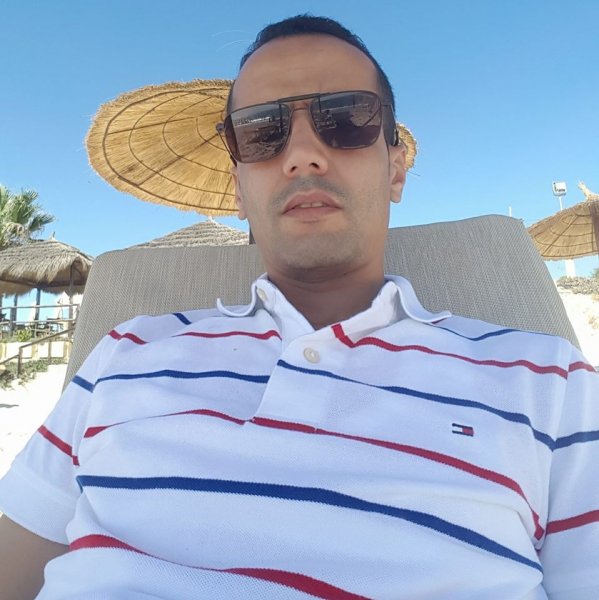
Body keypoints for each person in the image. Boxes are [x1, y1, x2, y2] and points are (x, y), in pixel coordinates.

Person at [0, 14, 597, 600]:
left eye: (347, 118)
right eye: (262, 131)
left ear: (395, 171)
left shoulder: (550, 382)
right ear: (239, 188)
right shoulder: (125, 352)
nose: (303, 155)